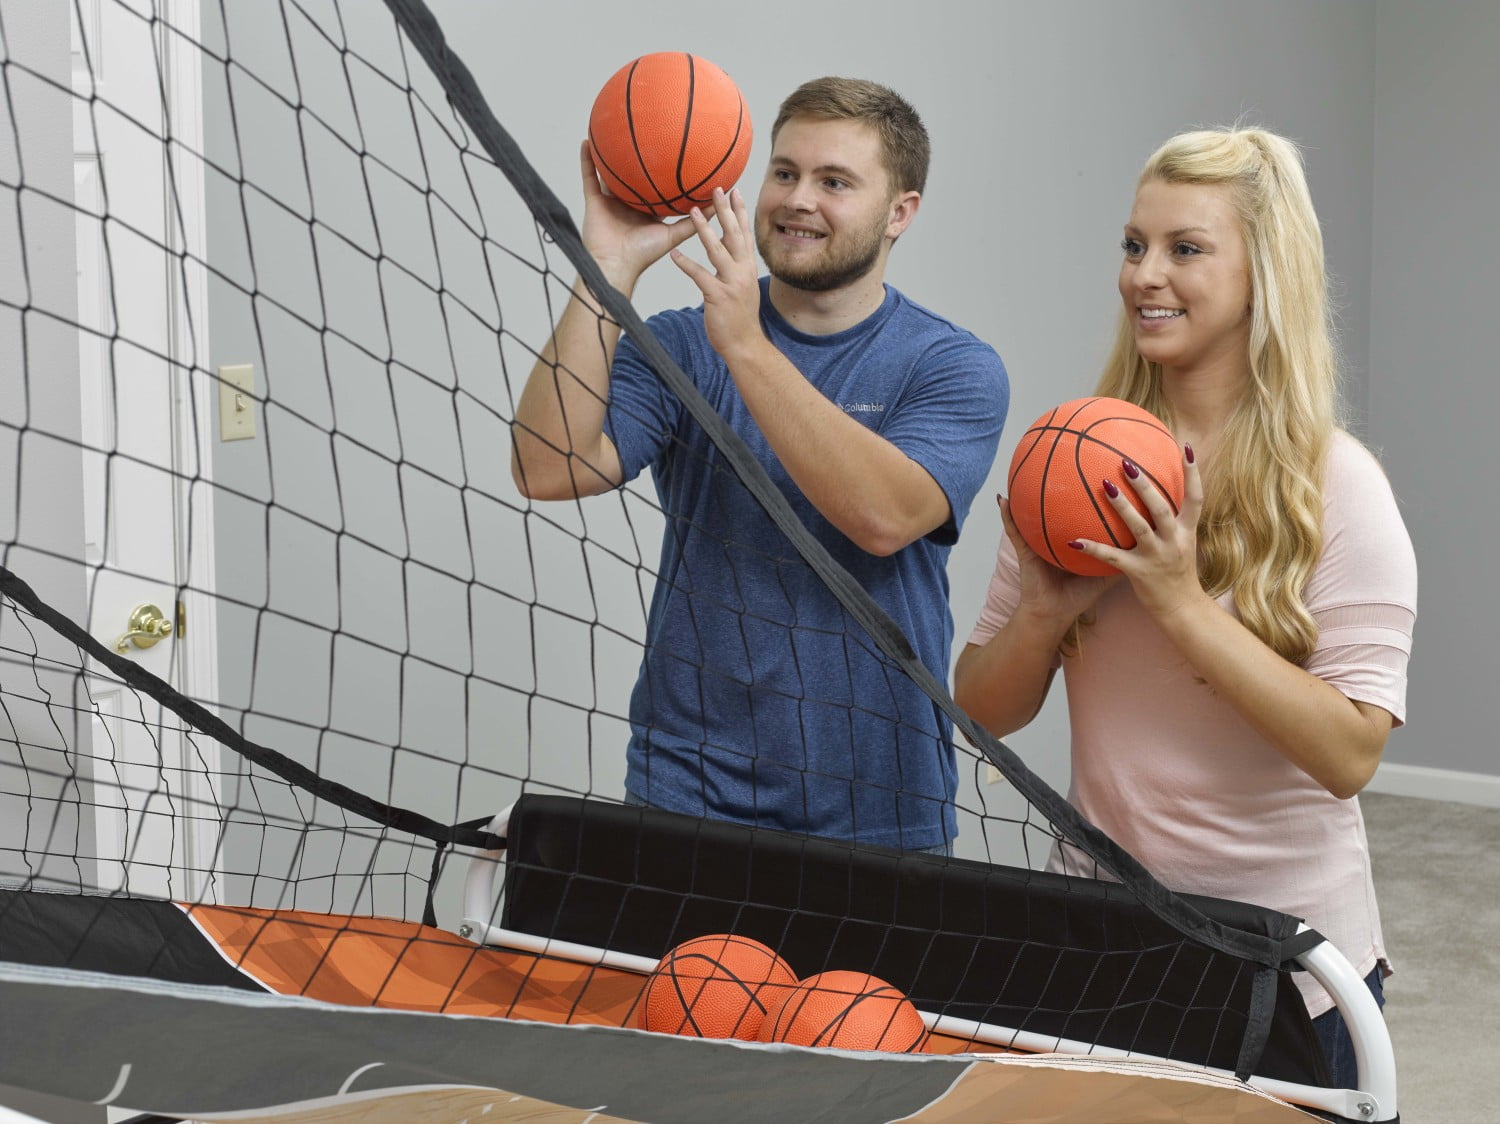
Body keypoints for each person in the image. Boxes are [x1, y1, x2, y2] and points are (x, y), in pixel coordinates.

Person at [953, 126, 1416, 1088]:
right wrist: (1042, 616)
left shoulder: (1335, 484)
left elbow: (1350, 755)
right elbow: (983, 709)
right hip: (1103, 940)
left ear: (1264, 274)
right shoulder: (1069, 463)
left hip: (1285, 968)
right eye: (1134, 245)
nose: (1145, 276)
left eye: (1186, 249)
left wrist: (1178, 599)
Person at [512, 78, 1008, 852]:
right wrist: (604, 265)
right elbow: (548, 467)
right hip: (689, 787)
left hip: (881, 804)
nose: (797, 199)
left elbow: (883, 518)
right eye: (784, 172)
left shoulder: (951, 366)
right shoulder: (680, 343)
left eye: (834, 181)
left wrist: (744, 344)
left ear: (900, 213)